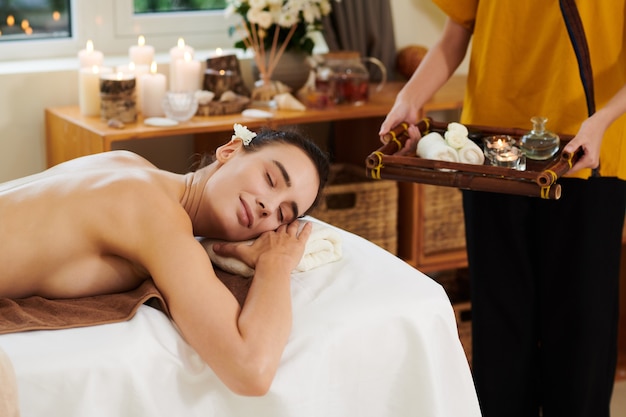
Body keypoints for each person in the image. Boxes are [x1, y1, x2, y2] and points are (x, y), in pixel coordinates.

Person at [379, 2, 626, 416]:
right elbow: (458, 31)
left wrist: (602, 121)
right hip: (492, 155)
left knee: (582, 339)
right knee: (500, 335)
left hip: (585, 156)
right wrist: (410, 97)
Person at [0, 124, 330, 397]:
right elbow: (250, 371)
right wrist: (276, 264)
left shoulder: (128, 163)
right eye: (270, 180)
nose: (267, 207)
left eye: (283, 214)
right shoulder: (158, 217)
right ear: (229, 151)